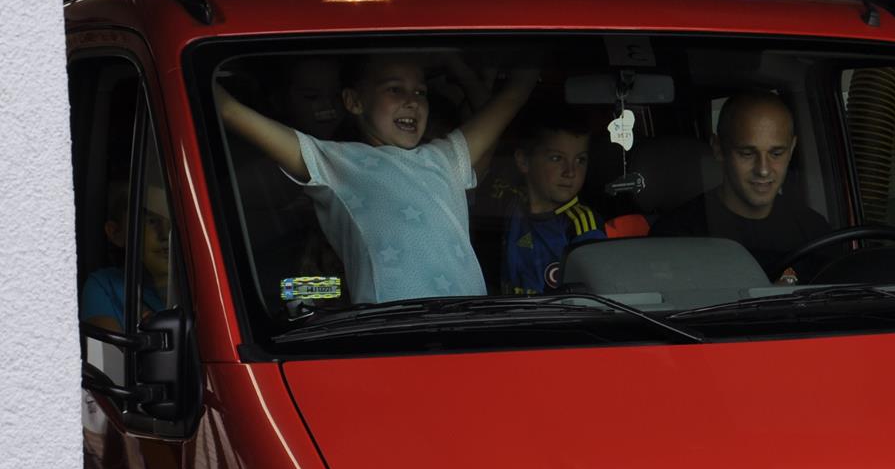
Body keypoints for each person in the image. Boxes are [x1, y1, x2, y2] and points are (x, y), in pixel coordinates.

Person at [216, 54, 537, 303]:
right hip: (379, 333)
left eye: (421, 92)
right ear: (354, 102)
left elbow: (511, 98)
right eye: (395, 89)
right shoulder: (334, 162)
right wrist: (330, 294)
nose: (412, 100)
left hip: (468, 335)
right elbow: (229, 111)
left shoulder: (444, 159)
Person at [652, 91, 829, 277]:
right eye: (747, 154)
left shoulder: (815, 231)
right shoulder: (674, 237)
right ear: (718, 148)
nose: (763, 170)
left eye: (776, 154)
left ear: (791, 149)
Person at [501, 108, 603, 294]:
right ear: (524, 161)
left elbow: (596, 293)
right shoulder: (514, 207)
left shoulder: (581, 224)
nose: (570, 172)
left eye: (580, 160)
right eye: (557, 158)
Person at [81, 179, 171, 332]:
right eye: (151, 221)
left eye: (172, 221)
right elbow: (108, 346)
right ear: (116, 233)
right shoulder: (106, 287)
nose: (165, 234)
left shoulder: (205, 284)